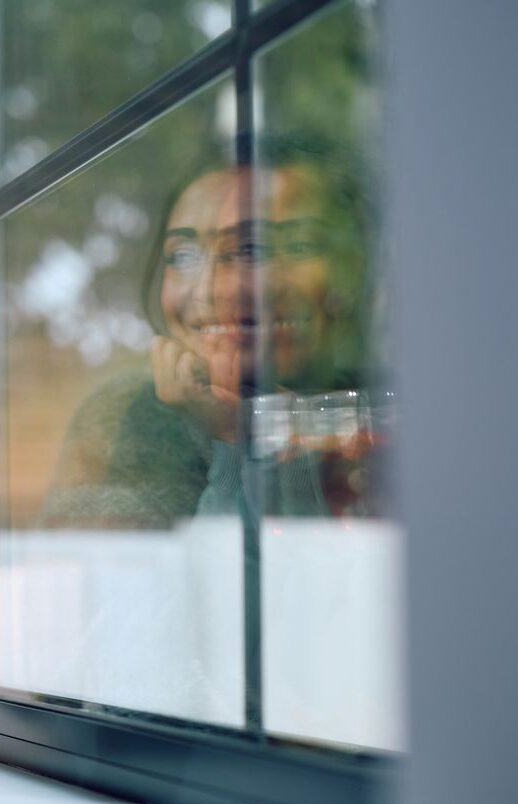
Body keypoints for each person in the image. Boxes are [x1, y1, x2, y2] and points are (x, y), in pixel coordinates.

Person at [41, 136, 378, 528]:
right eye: (182, 256)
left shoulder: (389, 417)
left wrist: (263, 437)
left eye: (254, 249)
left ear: (351, 271)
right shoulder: (132, 416)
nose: (209, 289)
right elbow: (116, 580)